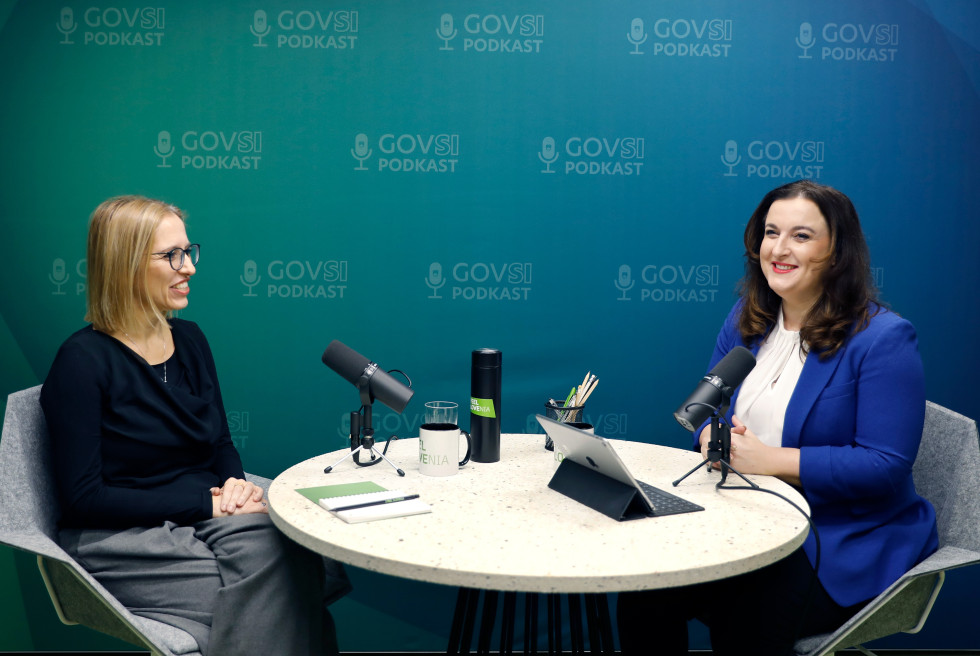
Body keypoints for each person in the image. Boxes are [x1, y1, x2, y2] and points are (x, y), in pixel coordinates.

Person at [617, 180, 938, 655]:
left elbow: (884, 466)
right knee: (645, 588)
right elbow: (709, 412)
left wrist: (771, 459)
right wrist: (711, 438)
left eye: (801, 236)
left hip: (837, 540)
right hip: (745, 516)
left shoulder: (883, 340)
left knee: (743, 607)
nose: (779, 249)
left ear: (837, 251)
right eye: (771, 232)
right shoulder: (749, 319)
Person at [41, 195, 350, 656]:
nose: (189, 268)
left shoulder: (190, 339)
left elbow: (220, 440)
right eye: (172, 256)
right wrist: (208, 505)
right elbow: (85, 500)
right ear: (126, 265)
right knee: (288, 584)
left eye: (189, 252)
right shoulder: (81, 362)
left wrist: (234, 485)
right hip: (121, 538)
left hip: (205, 518)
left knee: (301, 555)